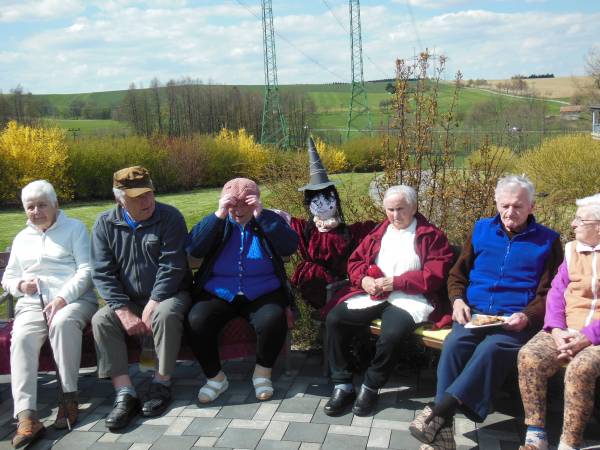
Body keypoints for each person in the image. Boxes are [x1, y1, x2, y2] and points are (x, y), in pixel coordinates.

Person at [410, 174, 563, 450]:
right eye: (504, 205)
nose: (510, 212)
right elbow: (457, 275)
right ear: (496, 203)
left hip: (515, 320)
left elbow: (550, 293)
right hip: (474, 314)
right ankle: (442, 431)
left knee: (492, 349)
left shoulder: (548, 241)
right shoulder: (481, 229)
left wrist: (527, 316)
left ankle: (438, 412)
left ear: (531, 207)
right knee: (454, 345)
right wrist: (458, 301)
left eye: (517, 206)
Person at [323, 185, 454, 417]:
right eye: (390, 209)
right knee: (335, 319)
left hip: (411, 297)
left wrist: (397, 282)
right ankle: (342, 384)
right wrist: (363, 280)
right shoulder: (379, 232)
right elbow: (355, 261)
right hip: (375, 293)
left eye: (400, 209)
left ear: (414, 207)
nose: (395, 215)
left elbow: (435, 275)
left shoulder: (431, 236)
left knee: (392, 333)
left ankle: (371, 385)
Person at [91, 166, 191, 430]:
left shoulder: (170, 217)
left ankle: (161, 383)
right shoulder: (105, 224)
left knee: (164, 314)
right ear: (119, 199)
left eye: (149, 193)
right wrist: (122, 310)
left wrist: (154, 301)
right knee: (102, 319)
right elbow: (102, 273)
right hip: (129, 299)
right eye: (137, 197)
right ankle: (125, 393)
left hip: (170, 293)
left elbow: (173, 266)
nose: (147, 201)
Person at [185, 178, 298, 403]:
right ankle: (215, 378)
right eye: (232, 204)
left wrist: (262, 216)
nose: (238, 210)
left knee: (272, 318)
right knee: (197, 319)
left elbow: (290, 246)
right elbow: (194, 248)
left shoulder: (268, 219)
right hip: (220, 290)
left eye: (245, 204)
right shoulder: (218, 221)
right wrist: (219, 215)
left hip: (263, 289)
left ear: (255, 201)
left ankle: (262, 373)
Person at [2, 180, 97, 448]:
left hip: (73, 301)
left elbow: (86, 270)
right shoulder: (22, 238)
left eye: (42, 205)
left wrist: (62, 298)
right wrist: (21, 286)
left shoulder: (75, 229)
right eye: (30, 207)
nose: (36, 211)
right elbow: (9, 277)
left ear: (55, 204)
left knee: (62, 324)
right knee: (21, 338)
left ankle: (68, 398)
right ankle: (27, 416)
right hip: (33, 304)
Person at [517, 194, 600, 450]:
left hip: (595, 338)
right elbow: (555, 293)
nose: (573, 224)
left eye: (580, 220)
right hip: (565, 330)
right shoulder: (572, 250)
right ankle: (535, 435)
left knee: (580, 368)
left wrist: (588, 336)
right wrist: (555, 329)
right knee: (530, 356)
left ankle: (569, 442)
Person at [291, 137, 376, 311]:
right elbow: (282, 221)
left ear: (335, 199)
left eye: (328, 199)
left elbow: (373, 231)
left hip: (340, 284)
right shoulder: (307, 230)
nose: (323, 205)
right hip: (312, 282)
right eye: (316, 201)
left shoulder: (349, 233)